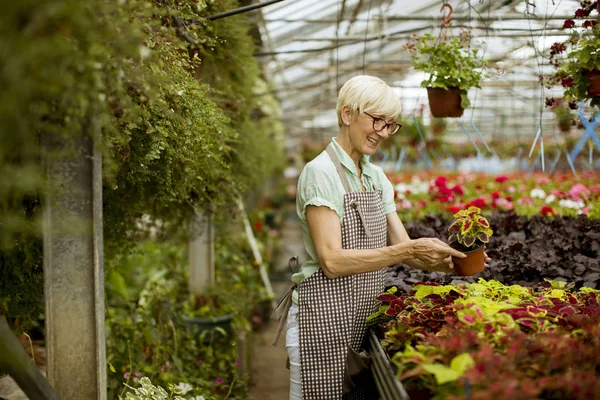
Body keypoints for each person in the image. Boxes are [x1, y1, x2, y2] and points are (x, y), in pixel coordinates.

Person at [274, 75, 483, 400]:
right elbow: (331, 261)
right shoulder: (321, 173)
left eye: (390, 125)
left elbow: (403, 245)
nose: (384, 132)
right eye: (377, 121)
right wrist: (404, 251)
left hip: (359, 320)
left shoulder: (374, 176)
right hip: (322, 323)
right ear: (347, 114)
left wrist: (454, 260)